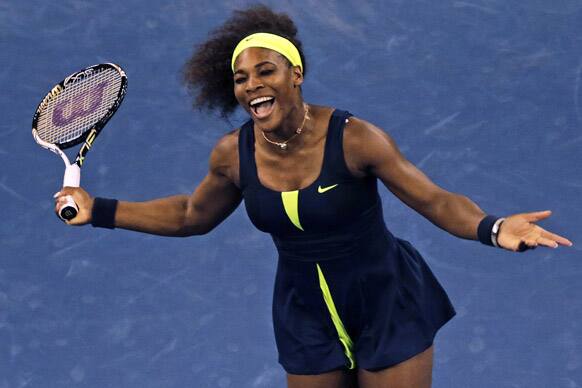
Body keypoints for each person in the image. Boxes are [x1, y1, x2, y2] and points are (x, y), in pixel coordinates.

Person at [54, 5, 572, 388]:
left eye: (266, 70)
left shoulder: (355, 139)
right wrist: (99, 210)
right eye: (241, 78)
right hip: (303, 311)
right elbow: (193, 214)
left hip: (385, 300)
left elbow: (434, 200)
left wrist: (495, 228)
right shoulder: (232, 155)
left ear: (295, 73)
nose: (252, 85)